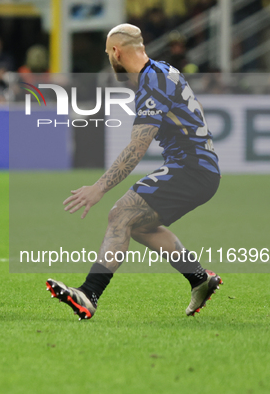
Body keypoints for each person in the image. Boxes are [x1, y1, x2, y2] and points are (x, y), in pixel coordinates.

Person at [46, 24, 222, 319]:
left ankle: (89, 293)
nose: (108, 59)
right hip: (199, 166)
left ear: (116, 52)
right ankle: (199, 278)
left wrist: (99, 187)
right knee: (140, 226)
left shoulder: (153, 81)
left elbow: (138, 147)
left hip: (192, 167)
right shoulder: (161, 70)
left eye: (107, 53)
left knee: (121, 214)